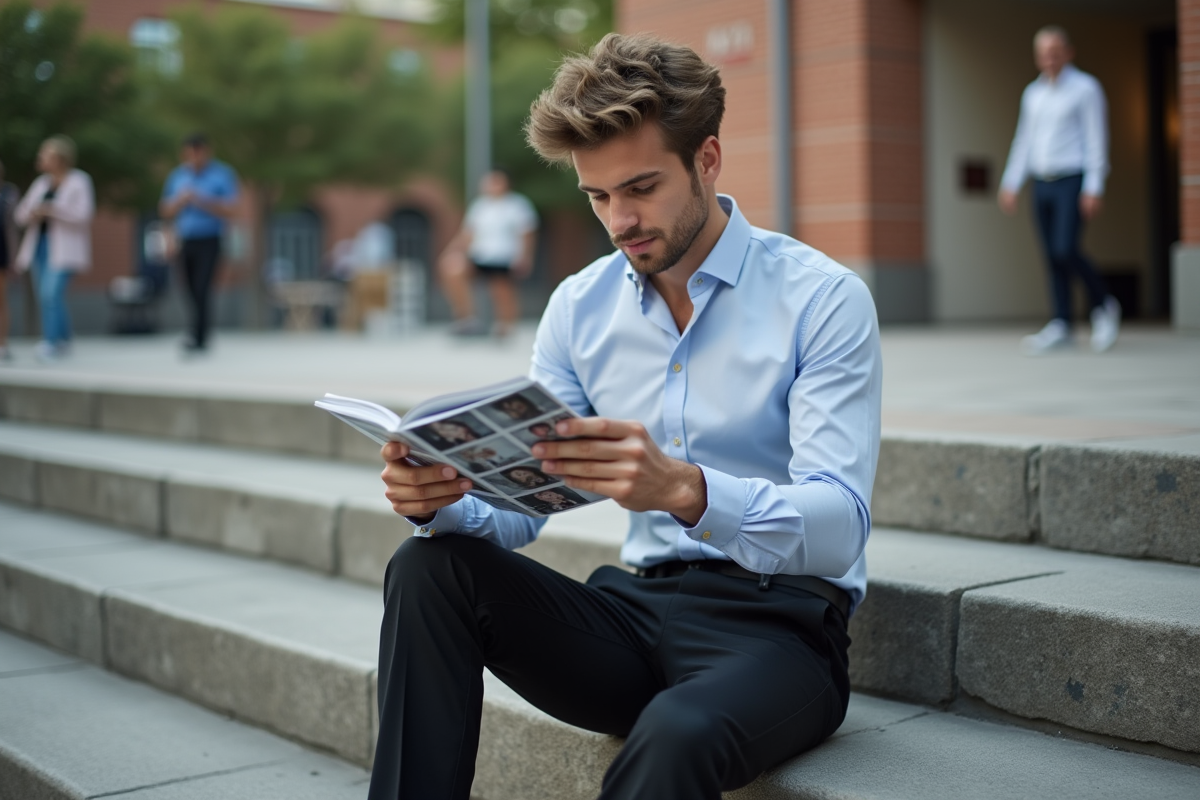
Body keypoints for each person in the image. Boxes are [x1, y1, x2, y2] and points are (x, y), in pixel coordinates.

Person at [371, 33, 881, 800]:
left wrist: (688, 491)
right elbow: (524, 506)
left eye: (641, 188)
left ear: (707, 160)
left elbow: (840, 524)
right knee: (427, 567)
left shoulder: (822, 299)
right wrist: (449, 502)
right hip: (634, 611)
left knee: (677, 731)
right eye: (598, 197)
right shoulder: (579, 307)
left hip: (782, 630)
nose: (620, 220)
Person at [999, 25, 1120, 355]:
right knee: (1051, 255)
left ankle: (1104, 305)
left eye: (1055, 52)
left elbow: (1097, 139)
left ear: (1068, 52)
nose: (1049, 60)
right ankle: (1061, 323)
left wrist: (1095, 186)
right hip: (1041, 181)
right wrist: (1011, 181)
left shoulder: (1085, 89)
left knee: (1066, 248)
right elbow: (1024, 140)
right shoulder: (1032, 94)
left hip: (1072, 179)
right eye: (1043, 54)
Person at [13, 136, 94, 362]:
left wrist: (52, 209)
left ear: (60, 158)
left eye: (45, 154)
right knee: (48, 295)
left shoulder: (79, 181)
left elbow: (84, 214)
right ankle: (64, 339)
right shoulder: (41, 184)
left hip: (65, 248)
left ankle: (51, 342)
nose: (40, 159)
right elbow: (20, 215)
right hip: (40, 245)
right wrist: (33, 213)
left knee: (51, 293)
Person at [160, 133, 240, 354]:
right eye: (189, 152)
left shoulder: (222, 174)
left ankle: (199, 336)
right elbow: (165, 210)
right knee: (188, 288)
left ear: (206, 151)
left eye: (198, 151)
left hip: (210, 238)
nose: (194, 157)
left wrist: (201, 200)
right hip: (185, 239)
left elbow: (232, 209)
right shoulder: (178, 176)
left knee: (203, 286)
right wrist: (180, 201)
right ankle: (198, 331)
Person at [438, 169, 538, 338]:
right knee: (453, 270)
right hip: (479, 256)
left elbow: (527, 234)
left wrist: (525, 257)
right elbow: (467, 234)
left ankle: (505, 326)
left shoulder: (517, 205)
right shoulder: (479, 206)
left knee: (501, 291)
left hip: (504, 257)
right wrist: (450, 251)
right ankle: (466, 318)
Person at [0, 159, 19, 361]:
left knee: (1, 300)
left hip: (1, 252)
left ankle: (2, 343)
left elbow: (10, 228)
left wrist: (13, 258)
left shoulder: (7, 193)